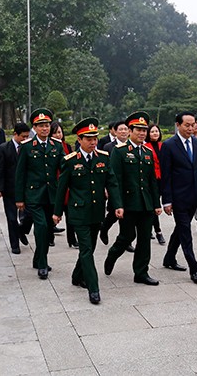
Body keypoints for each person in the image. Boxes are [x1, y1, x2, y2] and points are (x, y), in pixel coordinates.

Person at [53, 118, 119, 304]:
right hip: (78, 213)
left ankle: (76, 275)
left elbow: (112, 183)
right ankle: (93, 288)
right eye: (88, 139)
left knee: (89, 246)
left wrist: (118, 205)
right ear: (79, 140)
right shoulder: (70, 161)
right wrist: (57, 213)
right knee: (87, 250)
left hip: (97, 211)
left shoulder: (103, 158)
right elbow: (61, 189)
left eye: (95, 139)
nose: (93, 142)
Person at [104, 111, 162, 286]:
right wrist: (117, 204)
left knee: (145, 239)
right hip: (128, 204)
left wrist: (156, 203)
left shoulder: (147, 152)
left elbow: (152, 180)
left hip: (146, 204)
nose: (142, 133)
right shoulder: (119, 152)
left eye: (144, 130)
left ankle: (141, 272)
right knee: (127, 236)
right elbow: (115, 180)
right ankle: (112, 255)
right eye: (138, 129)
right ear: (130, 131)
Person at [160, 111, 197, 284]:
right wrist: (167, 200)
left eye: (193, 125)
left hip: (194, 196)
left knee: (181, 228)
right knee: (186, 232)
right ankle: (195, 268)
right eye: (187, 125)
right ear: (178, 125)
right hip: (178, 198)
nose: (191, 128)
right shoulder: (169, 145)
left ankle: (169, 258)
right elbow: (166, 176)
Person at [15, 108, 64, 280]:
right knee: (41, 227)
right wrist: (19, 199)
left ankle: (38, 258)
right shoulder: (27, 147)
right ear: (34, 128)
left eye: (47, 125)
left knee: (48, 230)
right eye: (41, 126)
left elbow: (64, 168)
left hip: (51, 195)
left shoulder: (56, 145)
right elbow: (20, 174)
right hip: (34, 195)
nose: (45, 128)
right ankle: (42, 264)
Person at [0, 122, 31, 254]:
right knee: (11, 218)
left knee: (29, 215)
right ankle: (15, 244)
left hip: (27, 189)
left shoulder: (28, 148)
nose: (25, 139)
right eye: (23, 136)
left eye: (27, 136)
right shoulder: (4, 148)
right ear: (15, 134)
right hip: (10, 189)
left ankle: (22, 230)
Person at [99, 120, 132, 250]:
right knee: (113, 214)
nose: (123, 132)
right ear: (115, 132)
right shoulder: (108, 147)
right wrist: (105, 187)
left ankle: (126, 241)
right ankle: (104, 228)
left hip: (129, 188)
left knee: (127, 216)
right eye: (120, 130)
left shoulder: (132, 146)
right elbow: (104, 169)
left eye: (126, 129)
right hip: (114, 187)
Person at [50, 121, 73, 247]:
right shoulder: (49, 147)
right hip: (55, 184)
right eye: (55, 133)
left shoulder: (67, 146)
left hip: (68, 186)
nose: (58, 135)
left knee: (70, 215)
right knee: (53, 213)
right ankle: (50, 236)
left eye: (60, 132)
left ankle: (72, 240)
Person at [144, 123, 166, 245]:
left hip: (163, 179)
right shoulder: (145, 147)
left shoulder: (163, 146)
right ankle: (158, 231)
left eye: (156, 131)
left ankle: (152, 228)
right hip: (152, 180)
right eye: (152, 132)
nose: (155, 134)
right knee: (154, 207)